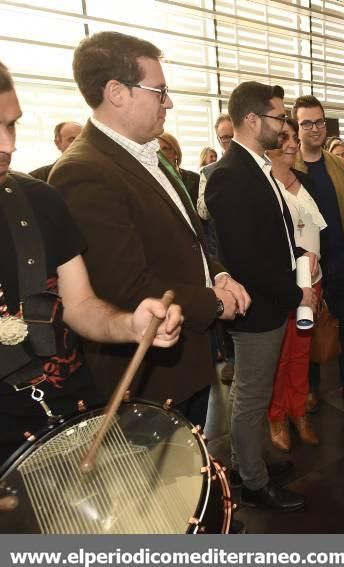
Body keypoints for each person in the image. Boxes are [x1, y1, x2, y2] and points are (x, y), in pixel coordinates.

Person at [48, 31, 249, 429]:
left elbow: (189, 236)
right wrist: (215, 302)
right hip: (150, 379)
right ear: (117, 92)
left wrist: (219, 272)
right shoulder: (82, 171)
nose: (169, 102)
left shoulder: (147, 153)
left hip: (186, 355)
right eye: (159, 91)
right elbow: (124, 286)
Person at [0, 59, 182, 463]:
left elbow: (79, 306)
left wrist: (129, 324)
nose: (8, 145)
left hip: (76, 419)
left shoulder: (39, 200)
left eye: (11, 125)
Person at [205, 81, 313, 512]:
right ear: (252, 120)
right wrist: (296, 293)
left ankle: (248, 463)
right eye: (278, 117)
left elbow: (274, 237)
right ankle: (251, 482)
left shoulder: (257, 168)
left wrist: (301, 256)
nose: (283, 125)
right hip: (257, 307)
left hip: (272, 299)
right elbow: (244, 258)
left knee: (256, 394)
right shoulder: (230, 175)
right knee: (251, 396)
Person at [292, 96, 344, 408]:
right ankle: (310, 389)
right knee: (308, 327)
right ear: (296, 128)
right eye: (306, 123)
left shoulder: (339, 165)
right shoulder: (287, 166)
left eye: (319, 122)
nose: (314, 128)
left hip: (340, 259)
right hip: (305, 266)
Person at [265, 119, 326, 451]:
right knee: (281, 355)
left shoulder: (303, 181)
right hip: (286, 286)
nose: (292, 143)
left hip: (313, 284)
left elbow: (315, 229)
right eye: (283, 138)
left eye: (293, 138)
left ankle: (299, 411)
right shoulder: (263, 185)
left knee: (302, 352)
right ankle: (276, 416)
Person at [157, 132, 200, 205]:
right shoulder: (154, 181)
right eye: (156, 150)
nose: (159, 154)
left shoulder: (194, 179)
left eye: (164, 148)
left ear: (176, 153)